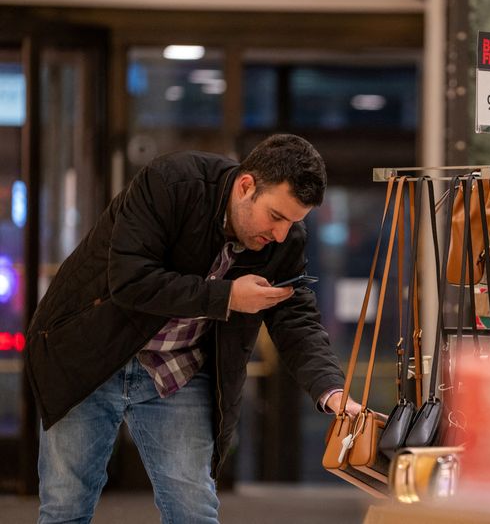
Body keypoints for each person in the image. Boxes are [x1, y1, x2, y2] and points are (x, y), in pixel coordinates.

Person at [25, 134, 360, 523]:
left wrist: (331, 391)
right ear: (246, 186)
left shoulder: (283, 242)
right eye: (276, 216)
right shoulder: (170, 183)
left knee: (193, 510)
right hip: (91, 354)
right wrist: (227, 297)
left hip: (176, 369)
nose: (281, 234)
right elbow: (131, 280)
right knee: (65, 506)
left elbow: (295, 318)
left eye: (294, 222)